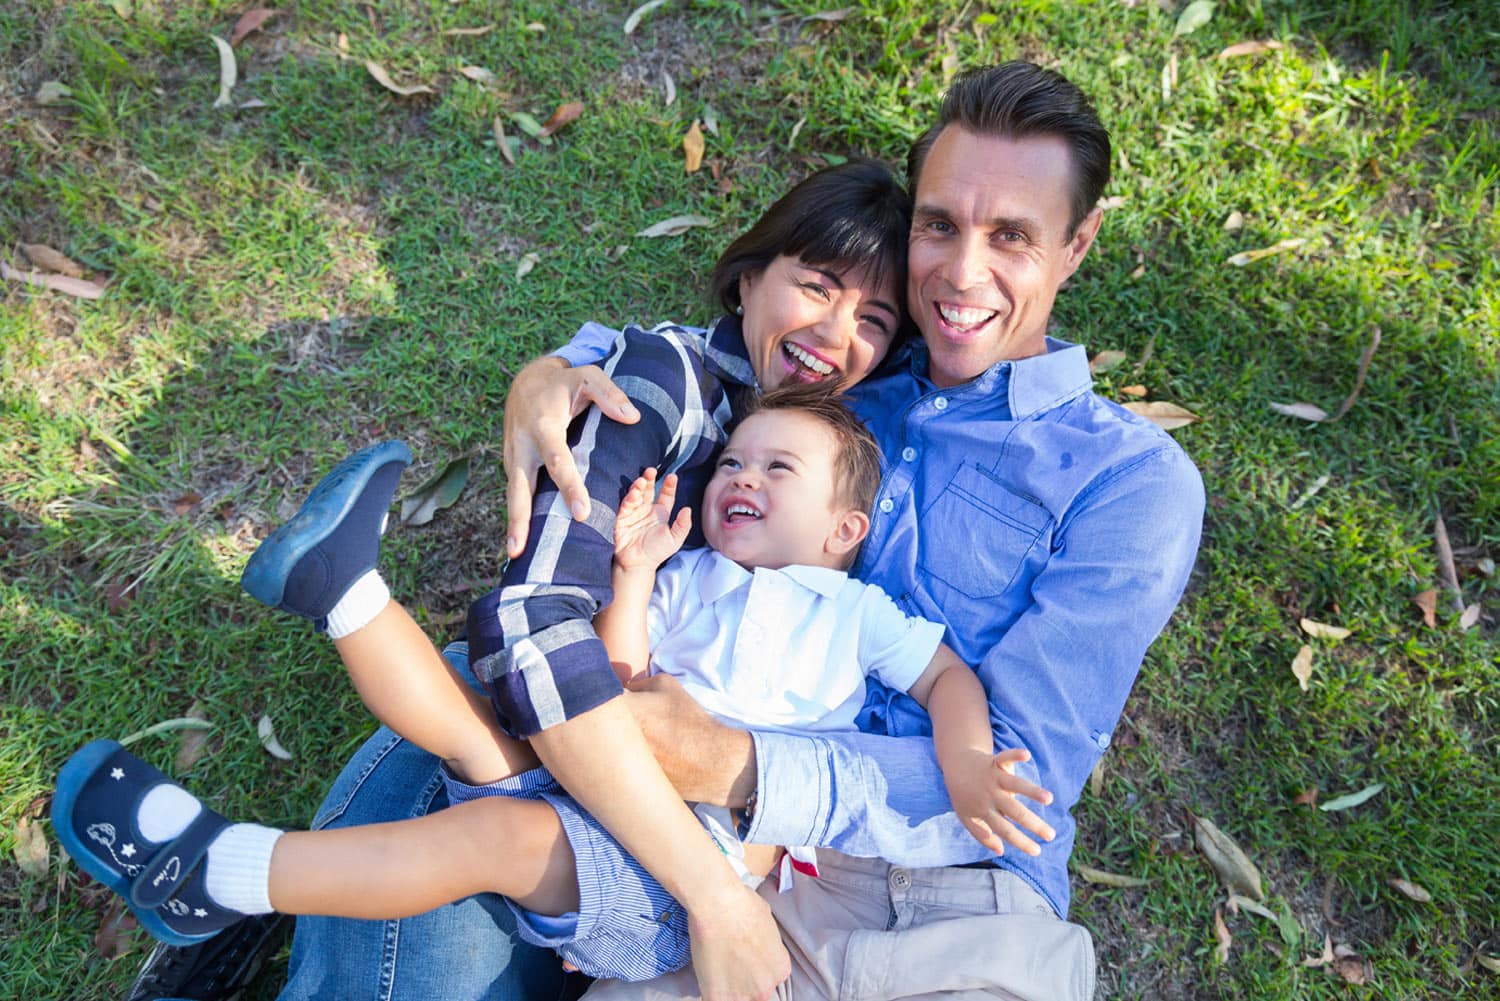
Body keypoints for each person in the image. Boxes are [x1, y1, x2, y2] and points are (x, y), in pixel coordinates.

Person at [121, 60, 1203, 1001]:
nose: (961, 276)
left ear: (1080, 241)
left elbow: (1010, 784)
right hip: (649, 758)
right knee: (436, 908)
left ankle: (248, 887)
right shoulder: (865, 368)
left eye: (1012, 236)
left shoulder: (1130, 481)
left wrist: (732, 760)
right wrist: (556, 373)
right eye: (939, 225)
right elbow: (703, 355)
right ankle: (245, 892)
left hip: (932, 900)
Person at [54, 384, 1024, 986]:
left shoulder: (854, 615)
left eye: (779, 465)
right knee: (476, 723)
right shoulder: (688, 576)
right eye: (732, 458)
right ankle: (346, 595)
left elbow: (945, 679)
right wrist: (637, 577)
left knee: (494, 834)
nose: (742, 475)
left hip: (686, 879)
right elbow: (622, 679)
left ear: (843, 532)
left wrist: (970, 762)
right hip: (607, 778)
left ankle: (222, 872)